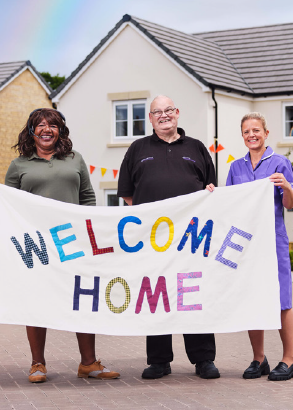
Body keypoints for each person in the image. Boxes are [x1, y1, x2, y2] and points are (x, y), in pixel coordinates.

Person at [0, 108, 120, 384]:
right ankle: (37, 364)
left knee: (82, 298)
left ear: (60, 131)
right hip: (37, 246)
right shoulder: (19, 165)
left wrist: (89, 232)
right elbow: (8, 202)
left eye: (53, 125)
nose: (47, 129)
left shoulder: (75, 159)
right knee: (36, 301)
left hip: (74, 243)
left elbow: (88, 197)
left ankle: (89, 363)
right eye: (41, 125)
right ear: (32, 131)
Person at [117, 95, 219, 380]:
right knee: (157, 294)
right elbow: (127, 193)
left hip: (191, 238)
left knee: (192, 294)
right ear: (150, 118)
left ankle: (203, 359)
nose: (164, 116)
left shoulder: (197, 148)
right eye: (157, 112)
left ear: (177, 113)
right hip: (153, 239)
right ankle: (159, 360)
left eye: (168, 110)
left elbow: (211, 187)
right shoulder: (138, 149)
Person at [225, 112, 293, 381]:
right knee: (252, 298)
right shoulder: (236, 168)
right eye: (246, 131)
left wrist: (286, 187)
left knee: (282, 300)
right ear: (242, 136)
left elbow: (290, 205)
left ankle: (289, 359)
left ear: (266, 133)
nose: (251, 135)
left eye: (256, 130)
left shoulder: (280, 163)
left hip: (274, 240)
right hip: (247, 244)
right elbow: (229, 205)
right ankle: (259, 359)